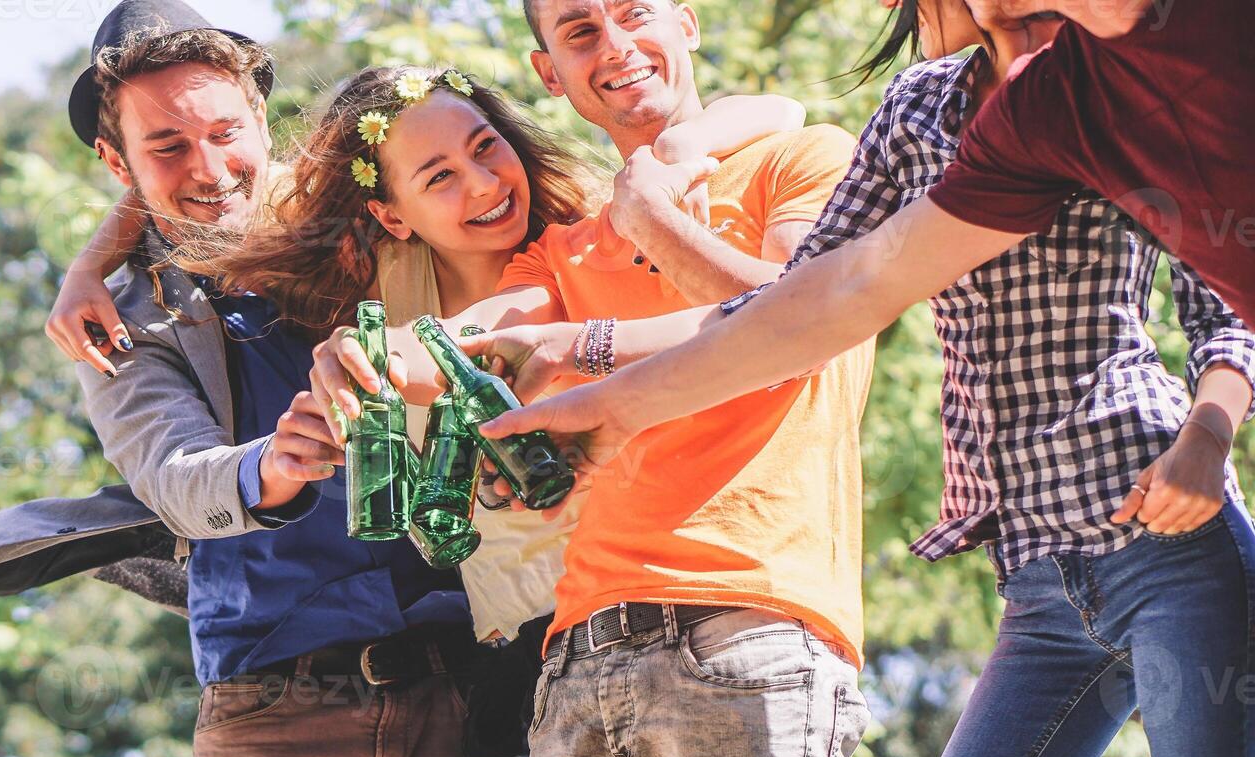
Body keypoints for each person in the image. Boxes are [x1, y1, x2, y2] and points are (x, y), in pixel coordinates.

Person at [49, 37, 810, 757]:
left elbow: (773, 121)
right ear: (389, 212)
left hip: (585, 644)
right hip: (413, 678)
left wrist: (669, 167)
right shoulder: (329, 279)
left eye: (485, 150)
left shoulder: (568, 249)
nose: (473, 184)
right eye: (436, 175)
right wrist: (97, 268)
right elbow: (181, 448)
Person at [309, 1, 870, 757]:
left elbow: (791, 320)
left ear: (686, 23)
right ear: (550, 72)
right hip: (579, 663)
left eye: (630, 14)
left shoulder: (802, 157)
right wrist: (353, 360)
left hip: (746, 622)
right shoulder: (557, 255)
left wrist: (642, 223)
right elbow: (470, 339)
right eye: (579, 32)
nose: (612, 46)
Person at [768, 2, 1251, 757]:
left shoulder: (1125, 88)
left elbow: (1225, 310)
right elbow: (806, 295)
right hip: (1036, 587)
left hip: (1168, 550)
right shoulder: (916, 111)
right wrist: (606, 368)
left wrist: (1206, 436)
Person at [52, 4, 482, 757]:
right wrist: (272, 466)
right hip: (271, 712)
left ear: (259, 118)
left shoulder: (353, 223)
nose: (206, 167)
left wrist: (90, 248)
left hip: (443, 685)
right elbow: (173, 477)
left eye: (223, 132)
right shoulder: (117, 322)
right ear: (119, 168)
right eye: (165, 147)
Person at [469, 0, 1255, 487]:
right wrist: (609, 408)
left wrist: (1209, 433)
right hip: (1033, 549)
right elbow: (837, 294)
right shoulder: (1034, 111)